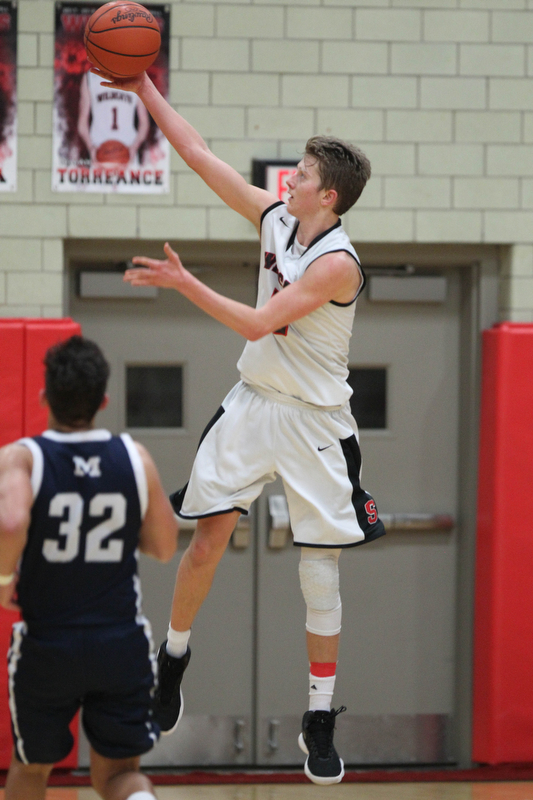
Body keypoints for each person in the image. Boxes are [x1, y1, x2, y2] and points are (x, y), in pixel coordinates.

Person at [93, 66, 386, 786]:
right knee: (206, 544)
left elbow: (259, 320)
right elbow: (197, 154)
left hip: (315, 419)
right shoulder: (275, 218)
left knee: (317, 571)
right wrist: (141, 89)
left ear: (330, 195)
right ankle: (173, 662)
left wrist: (185, 282)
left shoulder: (338, 265)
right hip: (254, 402)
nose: (289, 175)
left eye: (304, 171)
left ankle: (317, 715)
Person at [0, 336, 178, 800]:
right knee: (118, 774)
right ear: (102, 401)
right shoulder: (135, 458)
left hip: (48, 643)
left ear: (45, 397)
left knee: (32, 768)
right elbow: (163, 545)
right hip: (119, 641)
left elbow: (10, 520)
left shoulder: (23, 456)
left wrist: (3, 581)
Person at [78, 70, 150, 165]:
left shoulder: (136, 77)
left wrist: (134, 147)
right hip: (98, 152)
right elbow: (82, 123)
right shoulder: (90, 77)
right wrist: (91, 148)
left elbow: (144, 122)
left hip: (128, 152)